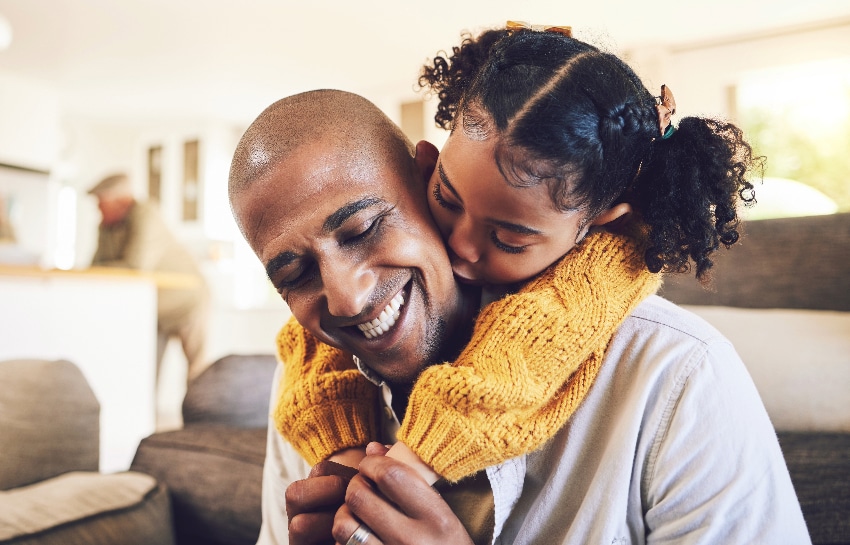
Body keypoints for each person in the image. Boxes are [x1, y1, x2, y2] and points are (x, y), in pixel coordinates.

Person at [229, 84, 810, 545]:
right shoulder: (311, 390)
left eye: (361, 229)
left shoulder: (676, 375)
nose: (346, 299)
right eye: (294, 274)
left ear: (428, 180)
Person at [260, 22, 766, 491]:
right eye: (446, 198)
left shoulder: (676, 366)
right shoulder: (333, 332)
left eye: (510, 240)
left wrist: (413, 467)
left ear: (598, 224)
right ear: (428, 162)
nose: (460, 247)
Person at [89, 173, 210, 383]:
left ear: (121, 201)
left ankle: (198, 416)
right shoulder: (105, 226)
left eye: (101, 202)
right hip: (154, 309)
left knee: (196, 373)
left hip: (188, 301)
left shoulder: (145, 214)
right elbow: (95, 267)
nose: (97, 209)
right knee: (146, 375)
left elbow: (135, 267)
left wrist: (106, 269)